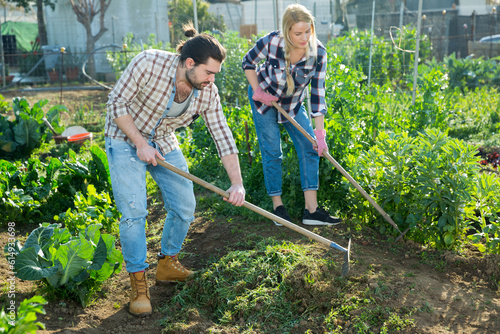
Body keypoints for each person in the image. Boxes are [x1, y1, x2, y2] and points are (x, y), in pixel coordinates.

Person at [105, 23, 246, 317]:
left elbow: (222, 134)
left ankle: (167, 264)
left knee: (184, 205)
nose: (211, 80)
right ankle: (138, 282)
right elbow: (116, 102)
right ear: (189, 63)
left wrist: (237, 184)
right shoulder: (149, 63)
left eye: (215, 75)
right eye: (209, 73)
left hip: (163, 139)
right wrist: (140, 144)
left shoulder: (207, 92)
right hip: (123, 136)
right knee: (134, 212)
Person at [242, 4, 341, 227]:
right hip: (264, 102)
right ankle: (278, 207)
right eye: (298, 33)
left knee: (310, 147)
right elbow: (247, 62)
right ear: (287, 31)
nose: (305, 37)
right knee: (273, 152)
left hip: (293, 105)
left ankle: (311, 211)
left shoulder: (318, 53)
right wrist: (258, 90)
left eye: (308, 31)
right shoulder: (271, 42)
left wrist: (319, 134)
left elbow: (317, 95)